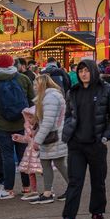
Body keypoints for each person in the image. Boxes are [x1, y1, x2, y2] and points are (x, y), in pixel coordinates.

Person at [54, 58, 110, 219]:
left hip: (97, 144)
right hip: (76, 144)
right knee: (75, 182)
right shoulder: (73, 92)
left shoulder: (108, 90)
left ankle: (97, 214)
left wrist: (106, 135)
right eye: (80, 71)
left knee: (98, 181)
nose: (83, 74)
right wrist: (68, 132)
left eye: (86, 70)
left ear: (93, 71)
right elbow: (69, 114)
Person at [0, 54, 34, 200]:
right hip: (22, 124)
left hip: (3, 125)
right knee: (24, 156)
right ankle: (26, 187)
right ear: (13, 64)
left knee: (7, 157)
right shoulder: (23, 79)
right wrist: (30, 121)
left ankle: (9, 189)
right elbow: (32, 100)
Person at [29, 73, 67, 205]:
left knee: (54, 163)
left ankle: (50, 192)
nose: (34, 87)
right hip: (55, 136)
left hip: (52, 137)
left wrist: (37, 139)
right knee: (54, 163)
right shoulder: (52, 96)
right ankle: (49, 191)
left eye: (35, 84)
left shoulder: (49, 98)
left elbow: (48, 122)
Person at [14, 106, 43, 199]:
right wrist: (18, 138)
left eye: (31, 117)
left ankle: (49, 189)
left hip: (39, 153)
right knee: (30, 173)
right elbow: (26, 140)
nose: (29, 119)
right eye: (28, 117)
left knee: (44, 171)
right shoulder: (27, 128)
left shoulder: (41, 128)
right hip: (30, 154)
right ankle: (34, 191)